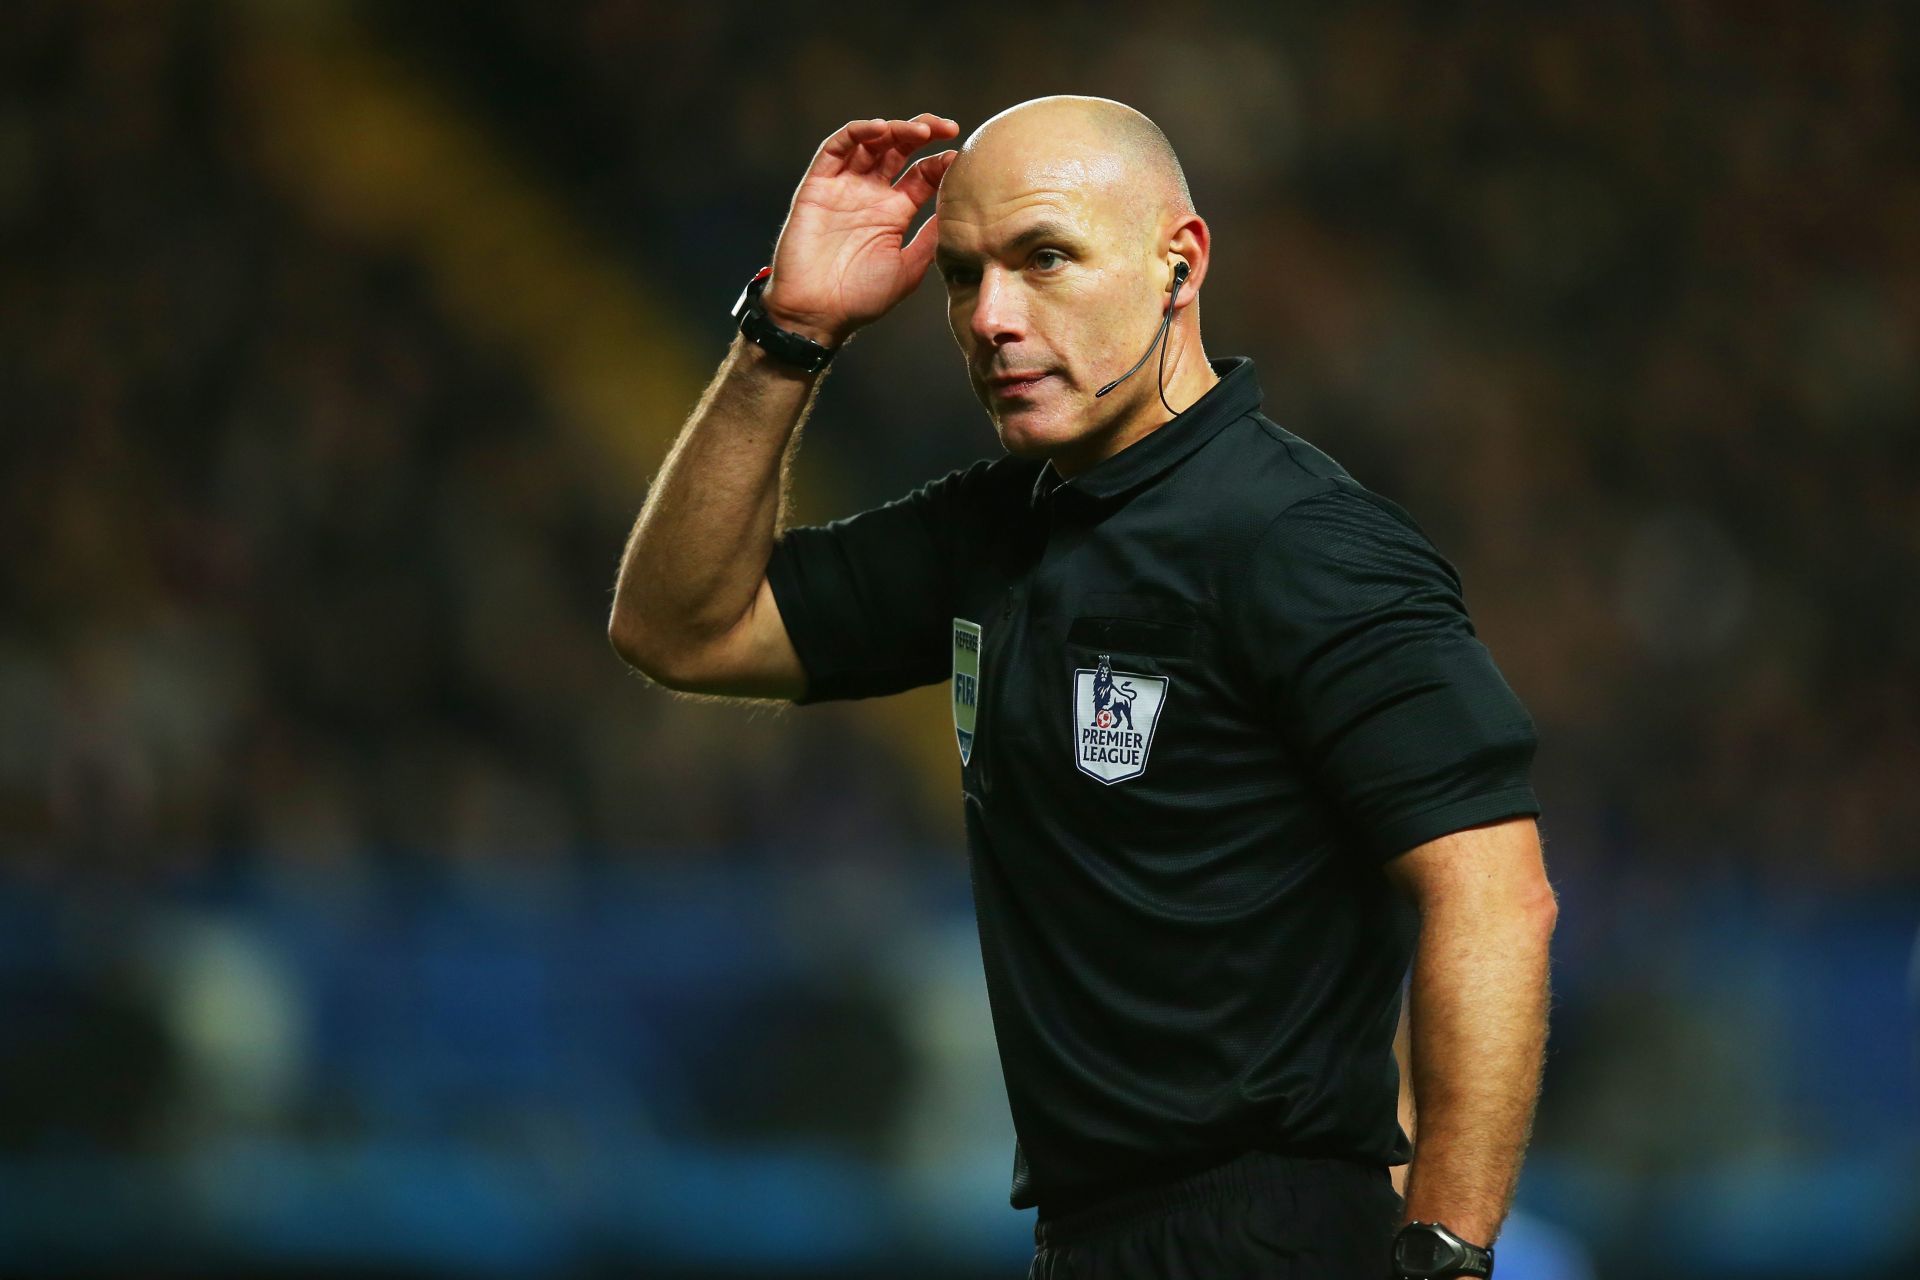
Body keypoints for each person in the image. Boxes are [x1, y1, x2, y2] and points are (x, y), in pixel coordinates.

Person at [609, 96, 1558, 1280]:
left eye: (1045, 258)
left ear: (1179, 262)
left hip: (1272, 1234)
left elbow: (1494, 894)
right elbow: (679, 625)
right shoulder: (992, 534)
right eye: (962, 276)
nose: (993, 318)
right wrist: (788, 335)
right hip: (1090, 1240)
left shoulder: (1303, 543)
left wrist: (1448, 1256)